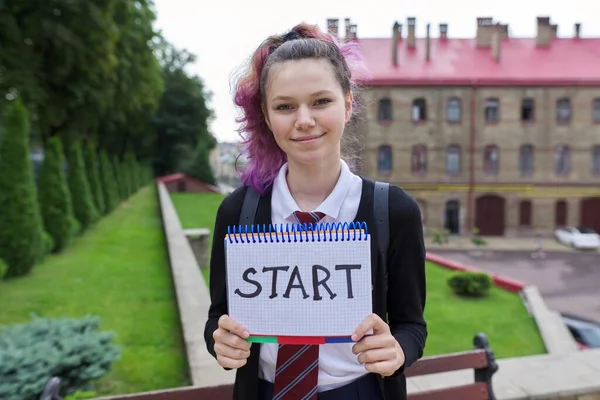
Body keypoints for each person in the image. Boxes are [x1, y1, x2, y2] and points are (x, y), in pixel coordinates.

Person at [204, 23, 427, 400]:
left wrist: (398, 350)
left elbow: (411, 326)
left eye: (321, 101)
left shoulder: (393, 211)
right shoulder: (237, 212)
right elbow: (219, 317)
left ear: (348, 103)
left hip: (358, 391)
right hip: (263, 392)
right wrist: (221, 343)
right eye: (285, 106)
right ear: (266, 114)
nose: (303, 119)